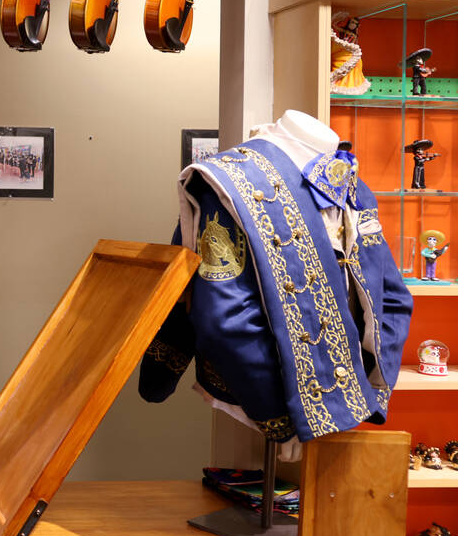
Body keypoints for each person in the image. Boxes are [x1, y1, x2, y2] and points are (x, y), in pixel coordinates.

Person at [140, 111, 413, 444]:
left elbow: (389, 294)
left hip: (346, 391)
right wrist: (279, 419)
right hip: (267, 391)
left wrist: (374, 384)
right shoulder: (231, 182)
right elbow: (225, 321)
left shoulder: (351, 185)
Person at [328, 11, 369, 96]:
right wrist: (337, 21)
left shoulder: (353, 35)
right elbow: (335, 27)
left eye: (355, 23)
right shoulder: (345, 31)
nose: (352, 24)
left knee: (349, 71)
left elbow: (350, 43)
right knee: (339, 68)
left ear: (357, 26)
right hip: (341, 53)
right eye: (351, 22)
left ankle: (342, 86)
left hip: (349, 54)